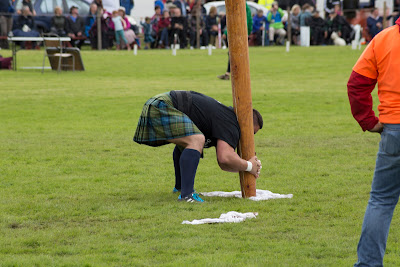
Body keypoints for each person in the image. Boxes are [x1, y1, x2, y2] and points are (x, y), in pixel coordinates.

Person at [133, 91, 263, 203]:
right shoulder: (232, 124)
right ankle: (187, 195)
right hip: (162, 106)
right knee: (196, 140)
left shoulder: (227, 117)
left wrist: (245, 166)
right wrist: (249, 166)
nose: (250, 138)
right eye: (252, 133)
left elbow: (224, 164)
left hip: (157, 103)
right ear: (247, 124)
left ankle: (180, 188)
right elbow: (225, 158)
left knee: (187, 141)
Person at [347, 17, 400, 267]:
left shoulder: (384, 39)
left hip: (394, 128)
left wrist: (369, 121)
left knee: (381, 200)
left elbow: (356, 85)